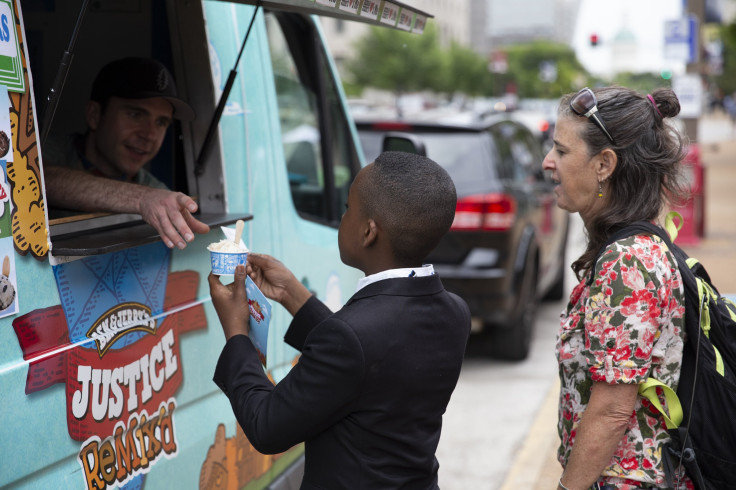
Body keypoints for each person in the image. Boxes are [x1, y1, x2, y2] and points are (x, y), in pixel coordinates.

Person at [208, 151, 471, 489]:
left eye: (348, 209)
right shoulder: (455, 311)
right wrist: (291, 293)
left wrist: (236, 333)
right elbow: (369, 357)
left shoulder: (351, 338)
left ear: (368, 232)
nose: (342, 217)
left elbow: (267, 427)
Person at [542, 86, 693, 490]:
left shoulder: (627, 262)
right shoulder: (639, 245)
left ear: (604, 164)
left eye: (561, 151)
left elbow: (611, 409)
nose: (547, 162)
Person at [43, 57, 209, 249]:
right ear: (94, 115)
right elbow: (41, 181)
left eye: (161, 122)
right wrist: (141, 199)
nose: (149, 134)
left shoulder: (155, 190)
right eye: (136, 115)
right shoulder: (49, 152)